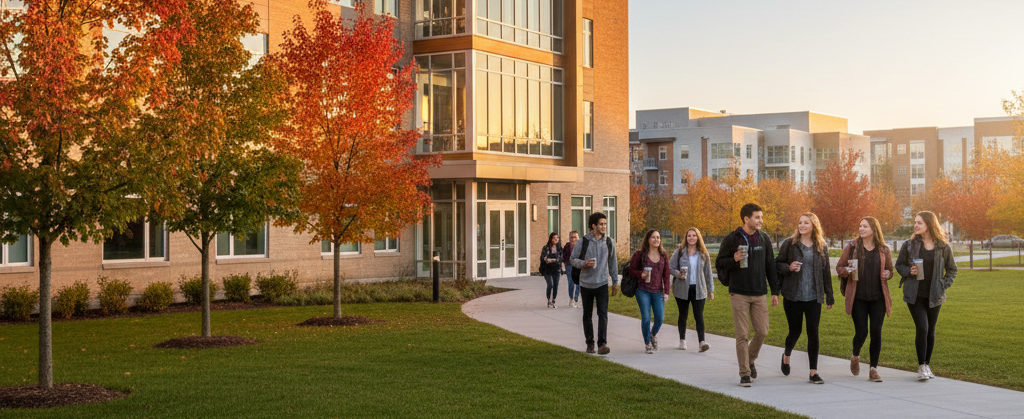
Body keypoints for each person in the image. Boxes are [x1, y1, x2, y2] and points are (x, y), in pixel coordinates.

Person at [716, 203, 779, 388]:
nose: (761, 220)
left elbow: (770, 266)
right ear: (746, 219)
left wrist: (775, 290)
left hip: (759, 293)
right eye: (757, 217)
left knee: (762, 331)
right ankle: (744, 373)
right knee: (742, 335)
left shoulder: (764, 238)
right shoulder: (732, 238)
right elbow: (720, 262)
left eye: (761, 217)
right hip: (739, 293)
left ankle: (750, 360)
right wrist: (733, 259)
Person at [894, 211, 957, 381]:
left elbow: (952, 269)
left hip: (934, 295)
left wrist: (943, 285)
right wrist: (909, 271)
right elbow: (899, 265)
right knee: (922, 327)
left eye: (919, 223)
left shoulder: (943, 247)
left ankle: (927, 365)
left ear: (929, 224)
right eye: (915, 222)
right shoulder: (909, 245)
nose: (915, 225)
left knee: (931, 331)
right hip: (914, 295)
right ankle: (921, 366)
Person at [775, 212, 834, 384]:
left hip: (814, 297)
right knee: (795, 331)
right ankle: (786, 355)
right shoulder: (789, 244)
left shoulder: (821, 246)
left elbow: (826, 273)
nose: (801, 225)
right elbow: (777, 264)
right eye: (800, 222)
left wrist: (829, 296)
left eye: (806, 223)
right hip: (793, 296)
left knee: (813, 333)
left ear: (813, 226)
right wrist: (789, 267)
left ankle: (813, 372)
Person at [837, 216, 894, 383]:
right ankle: (855, 355)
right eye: (860, 226)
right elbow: (839, 267)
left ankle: (873, 369)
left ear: (873, 229)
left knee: (876, 331)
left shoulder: (883, 249)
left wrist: (888, 274)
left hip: (878, 298)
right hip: (858, 298)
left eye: (865, 226)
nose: (861, 229)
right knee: (862, 331)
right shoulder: (853, 246)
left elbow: (890, 270)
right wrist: (847, 270)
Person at [570, 212, 619, 355]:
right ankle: (590, 343)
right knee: (587, 315)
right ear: (594, 226)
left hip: (603, 283)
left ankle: (602, 344)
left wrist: (615, 281)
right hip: (586, 284)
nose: (604, 226)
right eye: (601, 224)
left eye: (605, 224)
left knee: (603, 314)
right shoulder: (583, 241)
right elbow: (572, 259)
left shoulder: (609, 242)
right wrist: (583, 263)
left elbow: (613, 263)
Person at [669, 227, 714, 352]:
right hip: (682, 289)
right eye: (689, 235)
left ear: (698, 237)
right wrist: (678, 274)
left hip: (699, 289)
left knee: (698, 315)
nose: (691, 238)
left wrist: (711, 290)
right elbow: (670, 267)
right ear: (686, 237)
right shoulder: (679, 252)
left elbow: (708, 273)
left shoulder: (704, 254)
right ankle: (682, 341)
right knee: (683, 315)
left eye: (694, 235)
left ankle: (702, 342)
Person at [628, 229, 670, 354]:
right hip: (643, 290)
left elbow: (666, 275)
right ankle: (647, 343)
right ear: (648, 239)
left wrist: (666, 291)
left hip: (658, 291)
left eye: (658, 237)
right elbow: (631, 271)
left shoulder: (663, 255)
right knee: (646, 318)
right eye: (653, 237)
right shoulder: (639, 254)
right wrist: (641, 274)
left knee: (660, 318)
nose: (656, 239)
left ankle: (652, 334)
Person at [539, 232, 563, 308]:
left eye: (557, 238)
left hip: (557, 269)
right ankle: (548, 300)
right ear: (551, 239)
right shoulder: (545, 247)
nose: (556, 239)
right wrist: (546, 259)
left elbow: (560, 259)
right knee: (550, 284)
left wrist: (552, 260)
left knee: (555, 286)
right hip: (547, 269)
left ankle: (553, 301)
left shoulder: (559, 248)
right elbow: (543, 258)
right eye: (554, 237)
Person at [563, 231, 581, 308]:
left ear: (578, 237)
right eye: (571, 237)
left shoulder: (581, 245)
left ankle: (576, 299)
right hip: (569, 265)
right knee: (571, 282)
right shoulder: (567, 246)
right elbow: (563, 255)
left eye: (575, 237)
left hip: (578, 265)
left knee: (579, 283)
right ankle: (571, 298)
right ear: (569, 238)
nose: (573, 239)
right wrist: (564, 263)